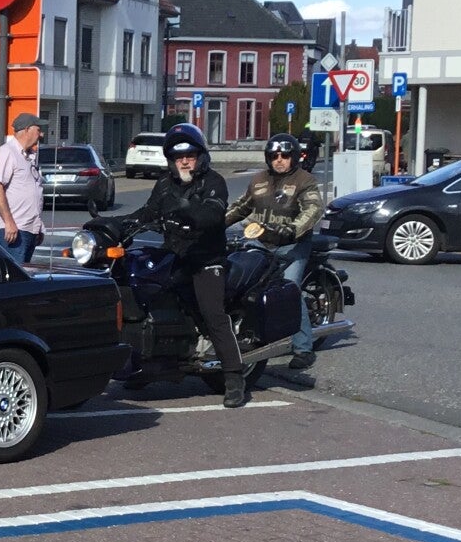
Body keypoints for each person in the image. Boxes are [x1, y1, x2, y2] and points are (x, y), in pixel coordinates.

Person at [113, 122, 248, 408]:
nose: (184, 161)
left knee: (213, 313)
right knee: (144, 294)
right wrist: (114, 223)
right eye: (178, 157)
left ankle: (234, 377)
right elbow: (147, 213)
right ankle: (148, 363)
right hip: (175, 256)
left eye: (190, 155)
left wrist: (190, 213)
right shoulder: (165, 185)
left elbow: (213, 214)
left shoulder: (213, 182)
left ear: (200, 156)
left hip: (206, 260)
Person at [226, 134, 324, 370]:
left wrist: (293, 229)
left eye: (285, 155)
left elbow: (313, 209)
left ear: (294, 157)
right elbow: (240, 207)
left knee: (289, 289)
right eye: (274, 156)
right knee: (242, 282)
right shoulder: (259, 180)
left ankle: (303, 348)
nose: (279, 160)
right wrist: (213, 223)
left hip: (293, 244)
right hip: (261, 241)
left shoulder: (304, 180)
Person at [0, 113, 46, 263]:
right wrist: (9, 222)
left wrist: (38, 227)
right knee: (15, 274)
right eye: (38, 130)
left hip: (28, 229)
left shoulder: (29, 156)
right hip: (13, 230)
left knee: (24, 273)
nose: (41, 134)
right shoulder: (7, 152)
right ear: (27, 130)